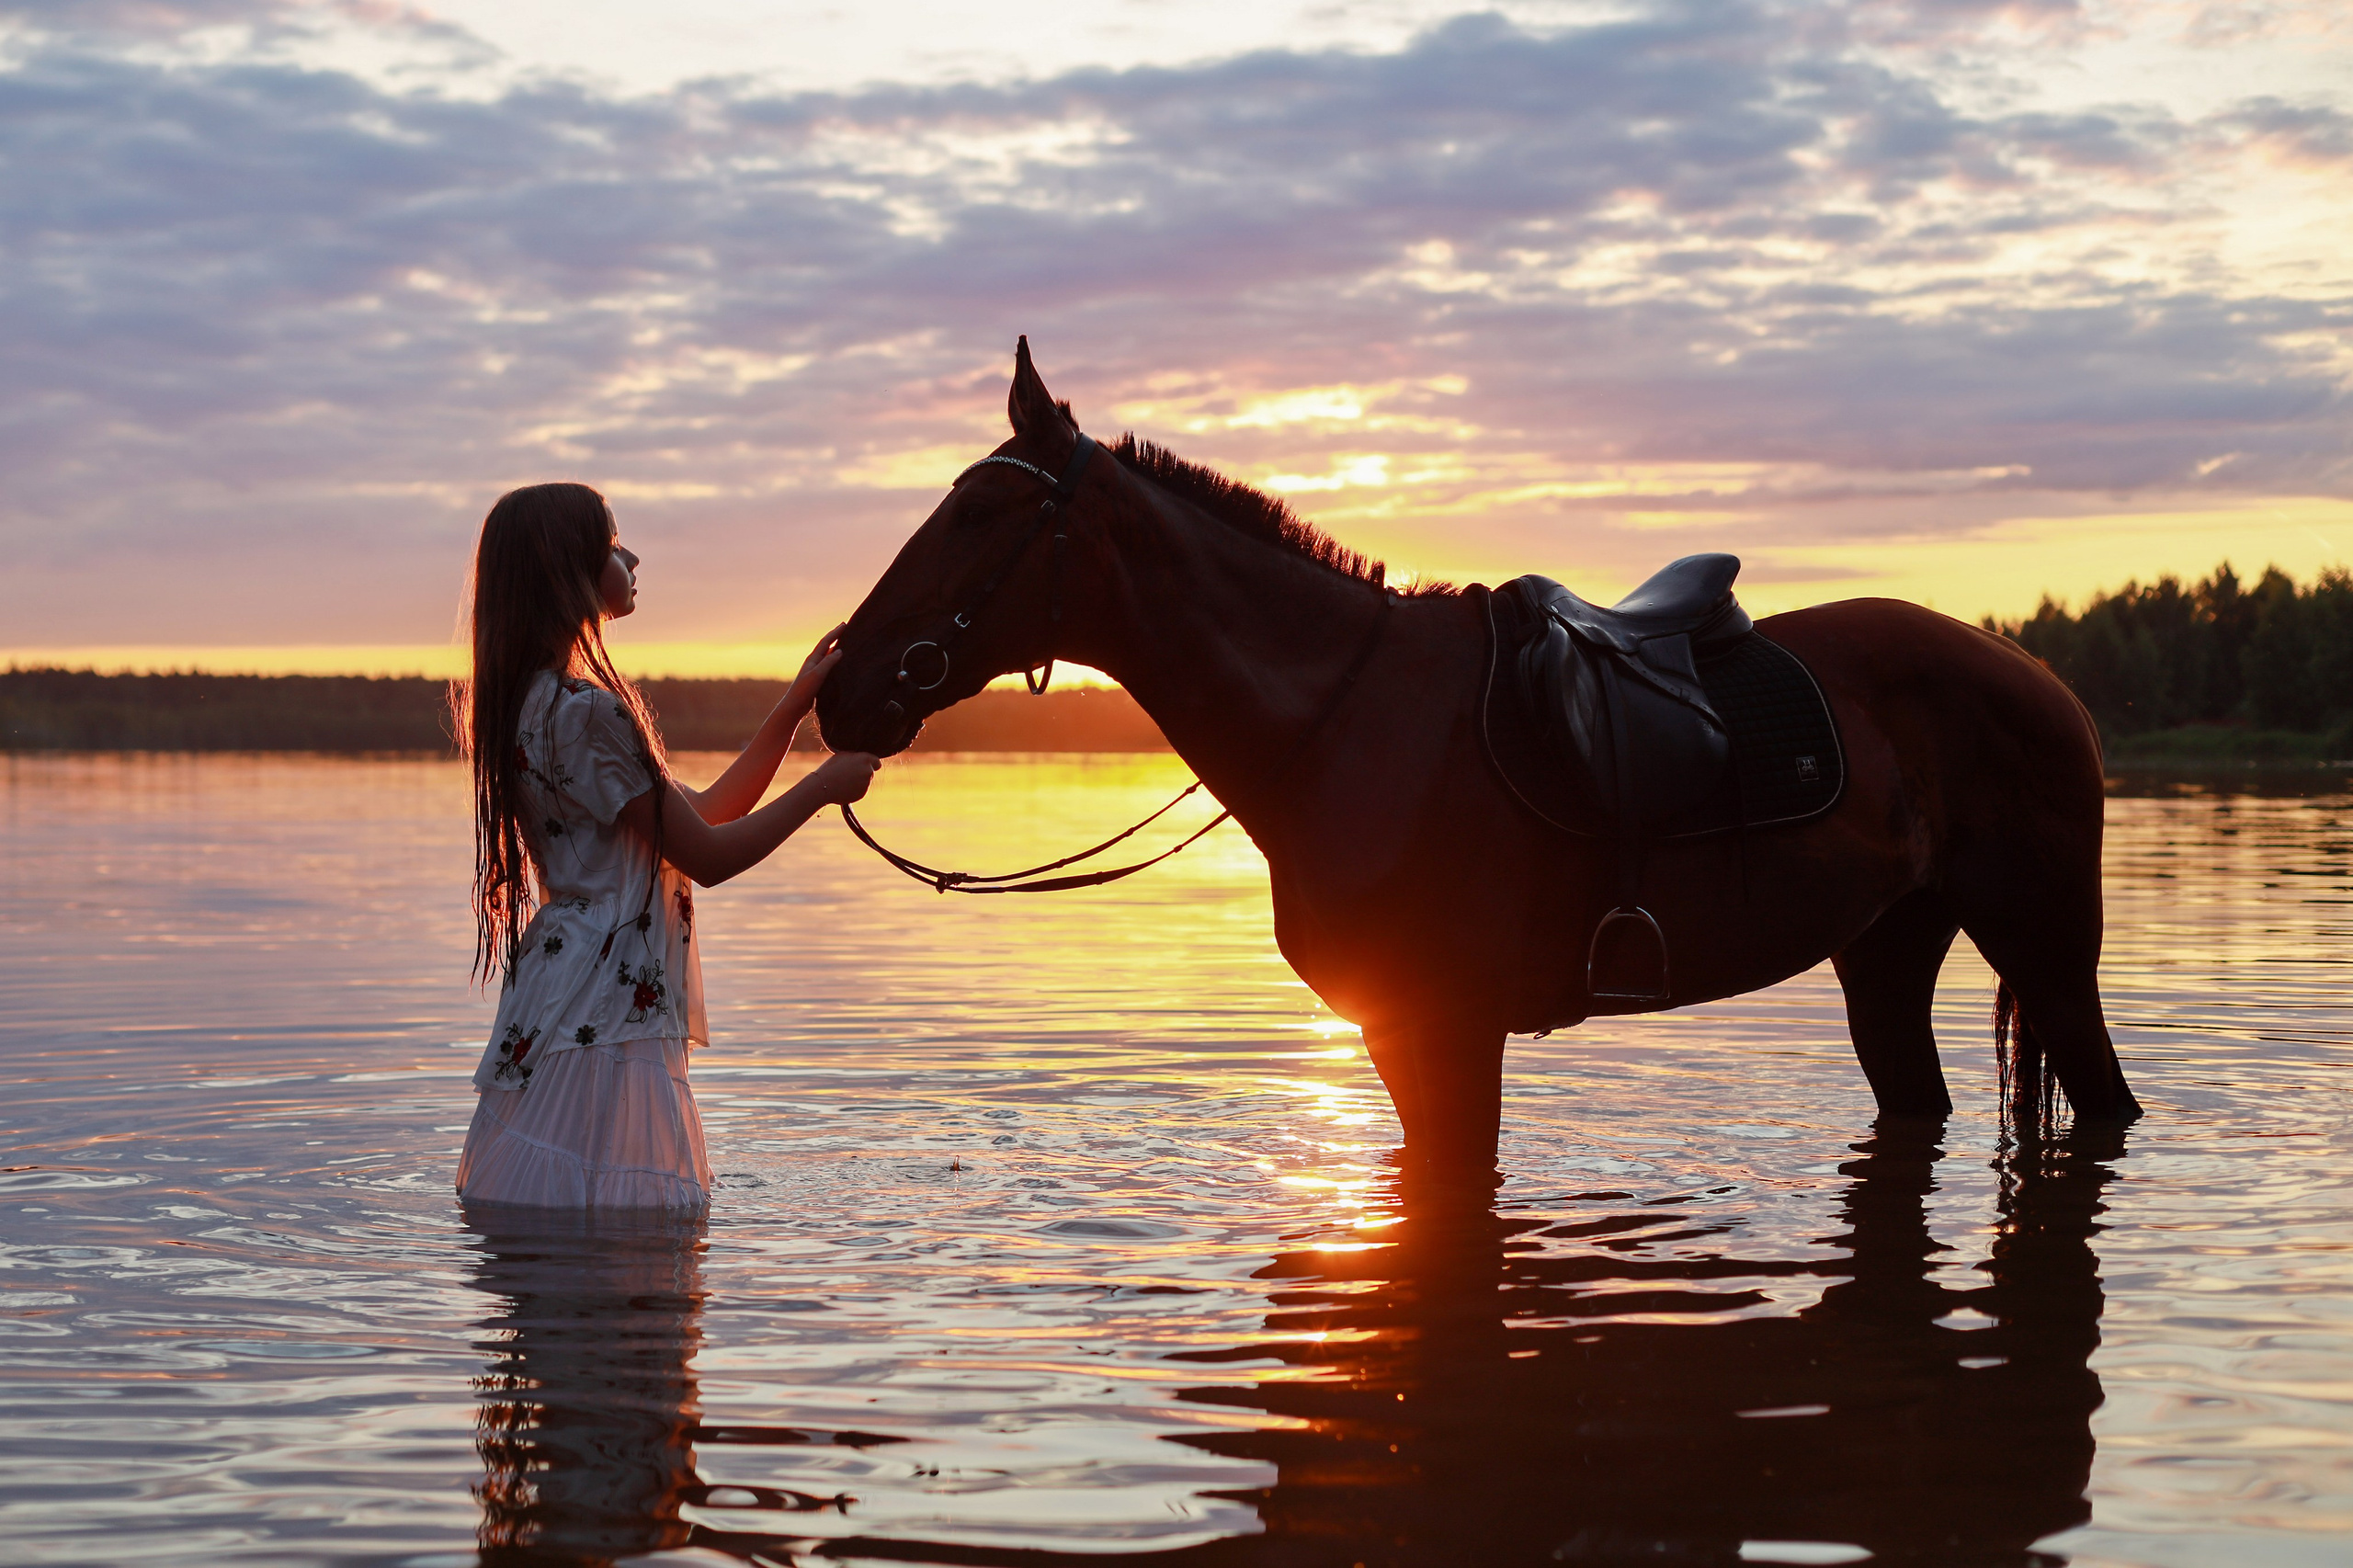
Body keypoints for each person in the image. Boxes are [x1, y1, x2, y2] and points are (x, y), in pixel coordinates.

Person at [451, 482, 879, 1210]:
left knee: (551, 1219)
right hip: (608, 1001)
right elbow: (708, 859)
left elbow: (704, 814)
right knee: (622, 1220)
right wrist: (822, 788)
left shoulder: (529, 704)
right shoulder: (587, 713)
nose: (632, 555)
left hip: (563, 987)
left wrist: (793, 706)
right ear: (570, 569)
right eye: (614, 543)